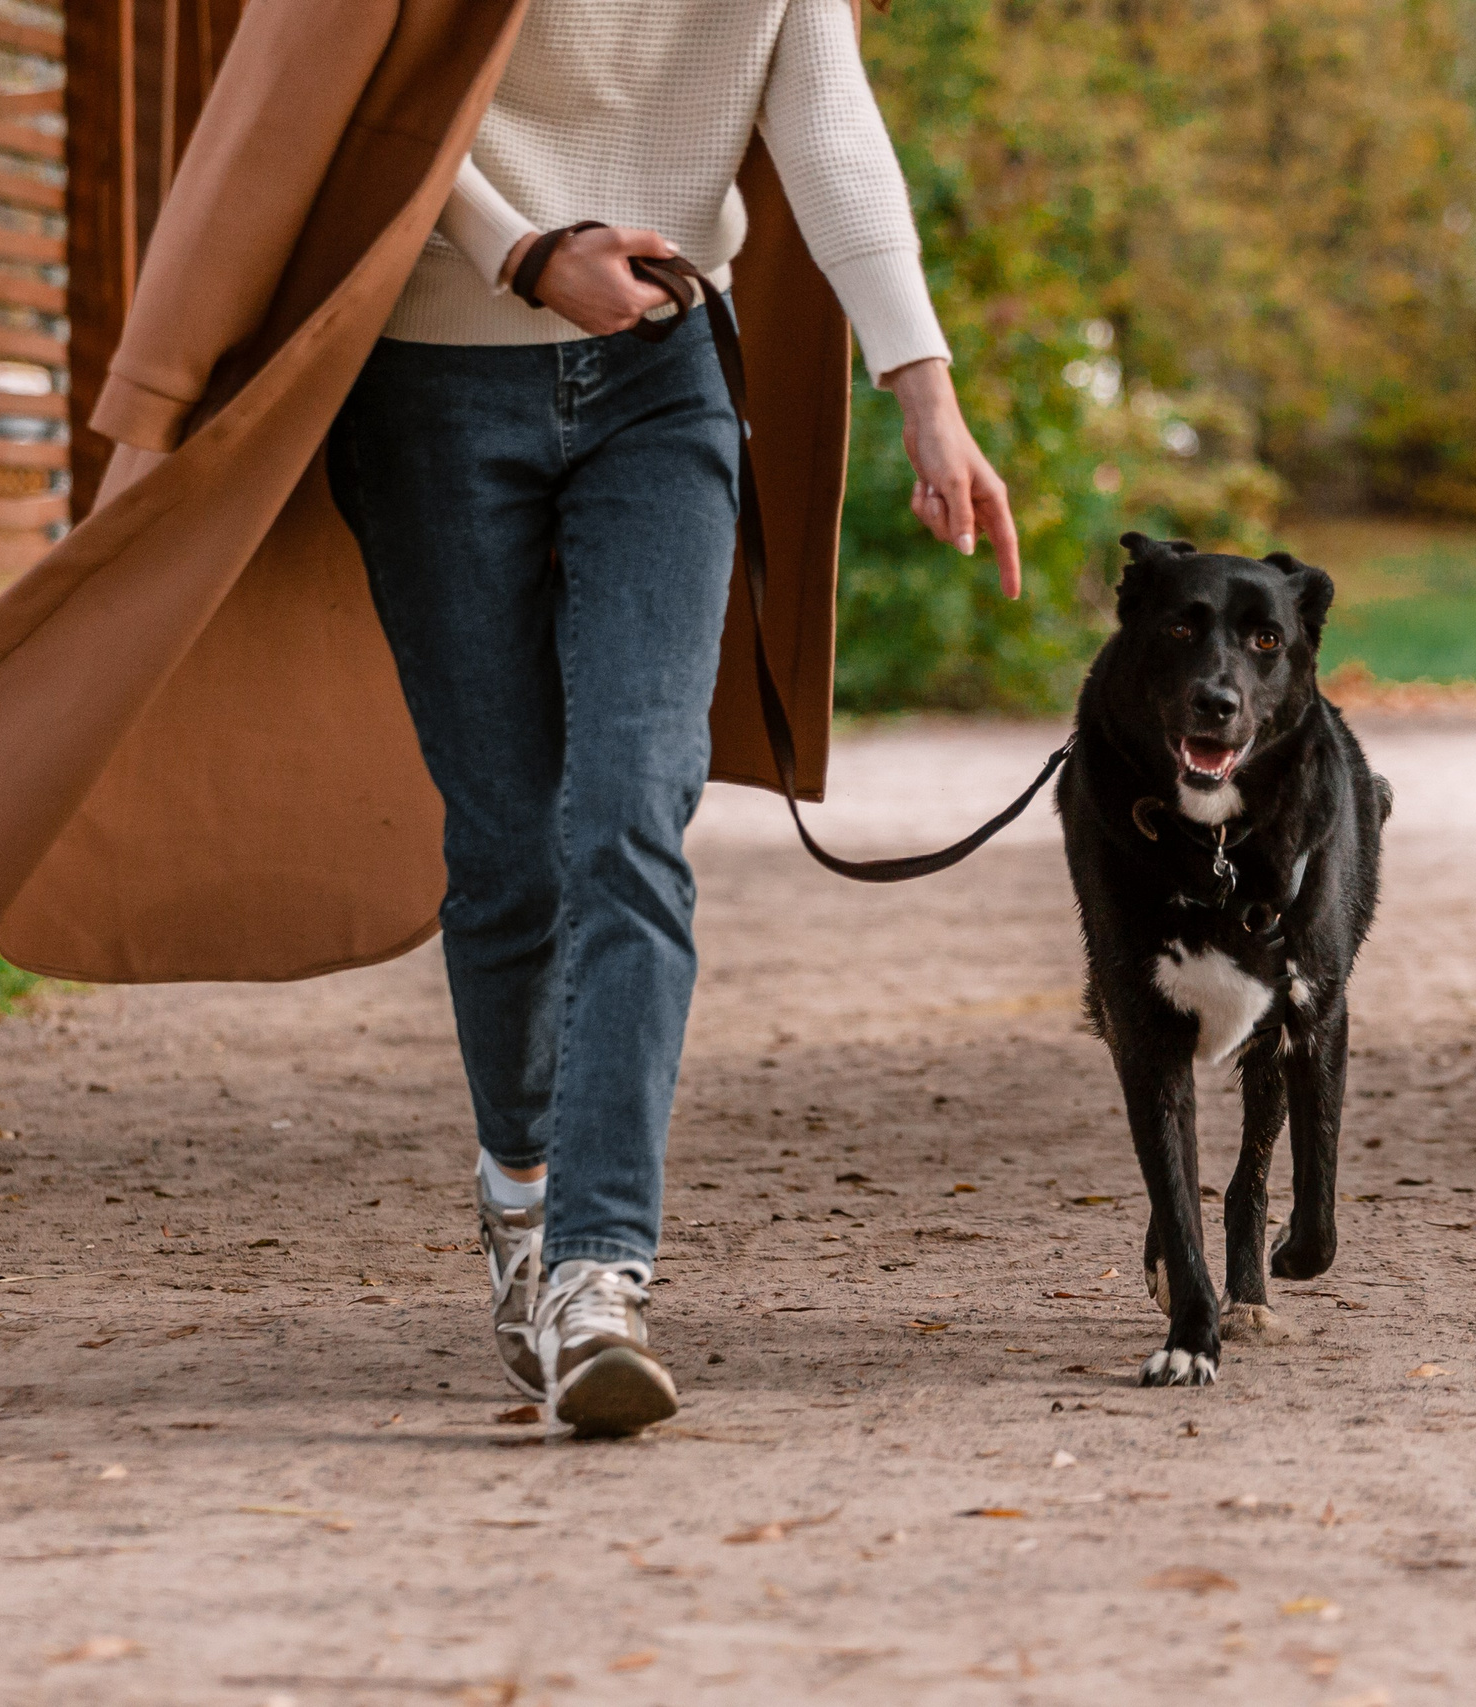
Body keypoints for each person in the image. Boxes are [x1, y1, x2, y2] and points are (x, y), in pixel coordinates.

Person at [335, 1, 1019, 1439]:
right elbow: (364, 94)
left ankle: (596, 1271)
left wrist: (927, 391)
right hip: (433, 379)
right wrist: (519, 248)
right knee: (511, 843)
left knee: (631, 807)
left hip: (662, 380)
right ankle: (519, 1194)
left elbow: (830, 129)